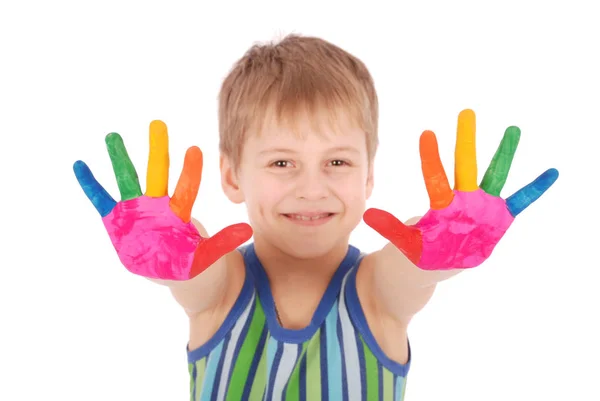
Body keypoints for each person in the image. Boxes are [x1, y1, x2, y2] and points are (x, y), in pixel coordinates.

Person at [73, 33, 558, 400]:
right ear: (233, 176)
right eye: (282, 163)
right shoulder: (221, 288)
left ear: (369, 178)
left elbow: (409, 271)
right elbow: (196, 271)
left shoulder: (375, 292)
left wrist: (442, 256)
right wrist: (164, 254)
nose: (312, 187)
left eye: (338, 162)